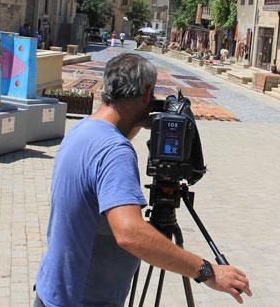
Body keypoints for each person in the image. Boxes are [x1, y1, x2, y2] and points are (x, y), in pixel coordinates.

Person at [34, 53, 252, 307]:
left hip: (53, 293)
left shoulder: (83, 130)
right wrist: (206, 271)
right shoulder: (114, 151)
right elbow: (130, 233)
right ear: (147, 95)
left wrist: (136, 122)